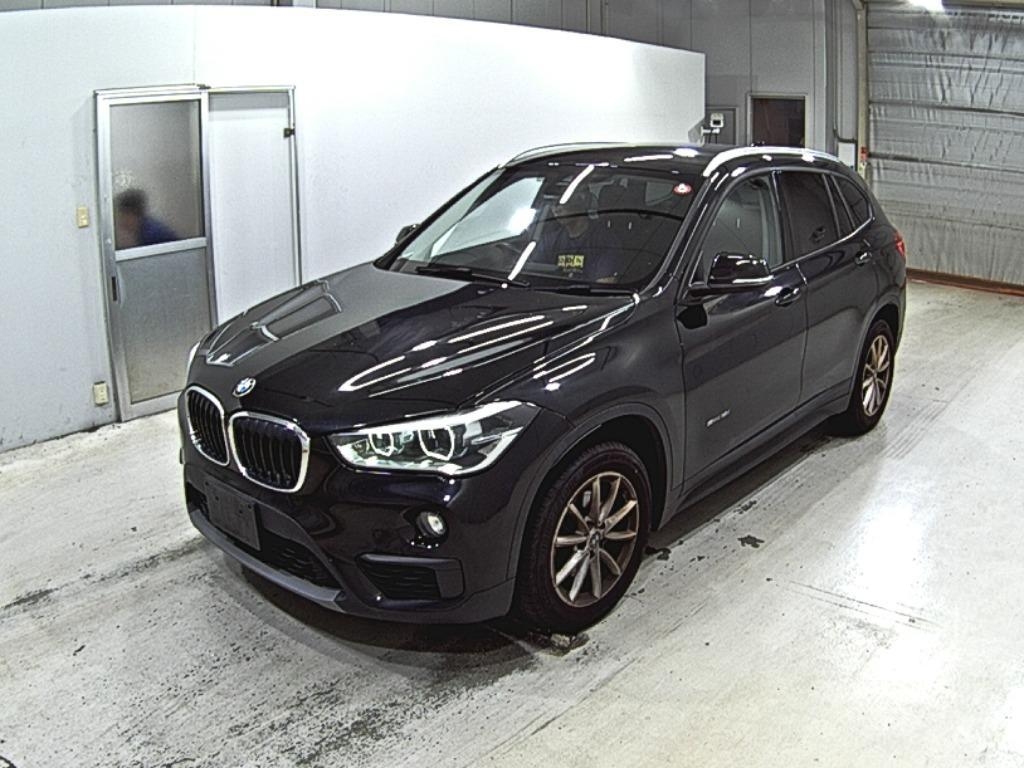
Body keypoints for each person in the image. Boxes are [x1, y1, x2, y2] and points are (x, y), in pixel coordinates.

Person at [538, 189, 621, 283]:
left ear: (581, 200)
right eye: (552, 204)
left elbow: (605, 283)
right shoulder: (549, 241)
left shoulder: (605, 240)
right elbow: (535, 275)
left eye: (562, 202)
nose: (556, 209)